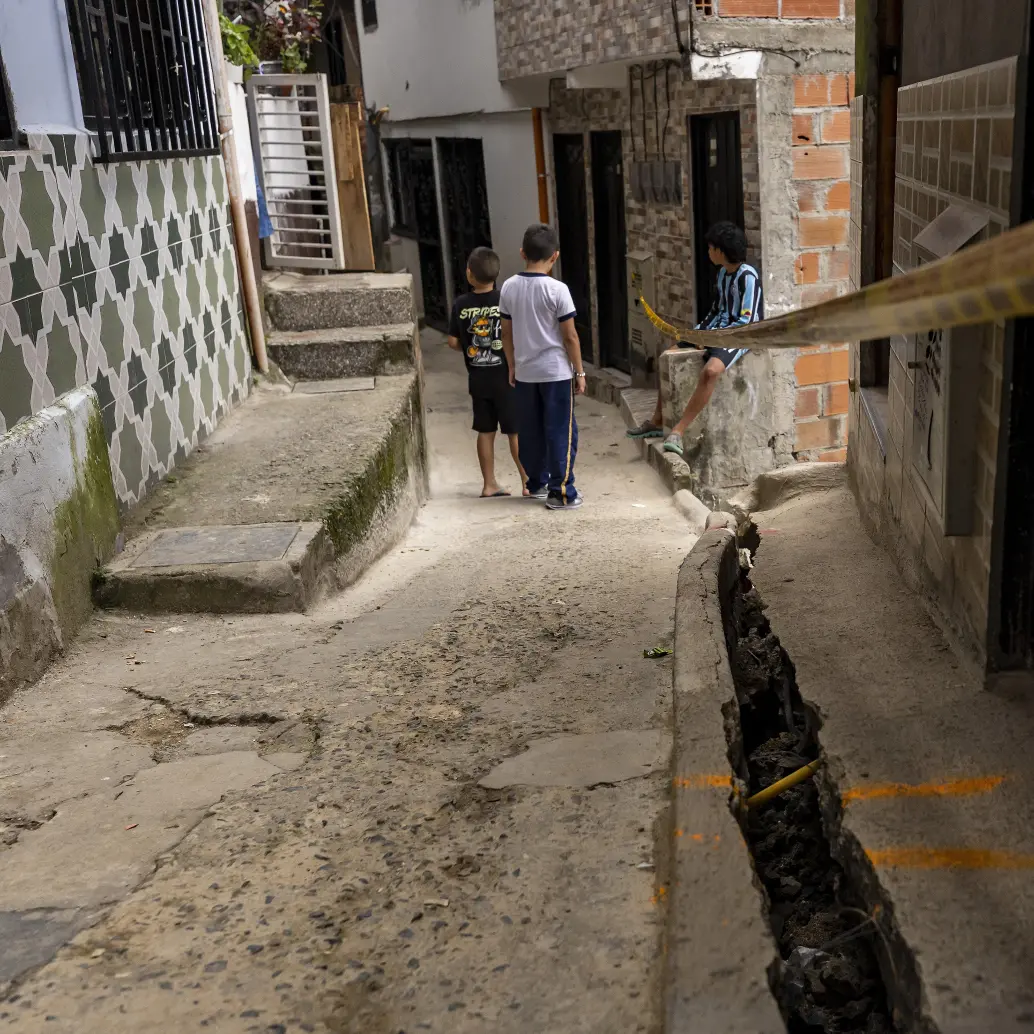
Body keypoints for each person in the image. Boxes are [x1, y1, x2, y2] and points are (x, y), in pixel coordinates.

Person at [626, 221, 763, 458]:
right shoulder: (721, 274)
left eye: (711, 248)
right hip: (713, 333)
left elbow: (746, 321)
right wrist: (696, 333)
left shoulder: (747, 277)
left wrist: (711, 339)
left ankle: (678, 430)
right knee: (667, 355)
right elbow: (715, 310)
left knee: (711, 371)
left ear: (721, 250)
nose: (708, 252)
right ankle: (657, 420)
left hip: (738, 337)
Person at [500, 223, 586, 511]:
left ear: (523, 253)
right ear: (555, 256)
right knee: (560, 430)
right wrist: (580, 371)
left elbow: (507, 333)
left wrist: (511, 365)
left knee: (531, 429)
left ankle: (536, 483)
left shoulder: (509, 287)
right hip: (556, 372)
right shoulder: (558, 290)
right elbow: (570, 336)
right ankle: (562, 492)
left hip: (525, 372)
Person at [448, 246, 529, 498]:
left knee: (485, 431)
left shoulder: (461, 304)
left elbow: (452, 341)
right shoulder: (504, 298)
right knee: (515, 431)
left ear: (469, 274)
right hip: (506, 378)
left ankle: (489, 484)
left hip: (478, 379)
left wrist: (469, 344)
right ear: (497, 275)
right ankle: (527, 482)